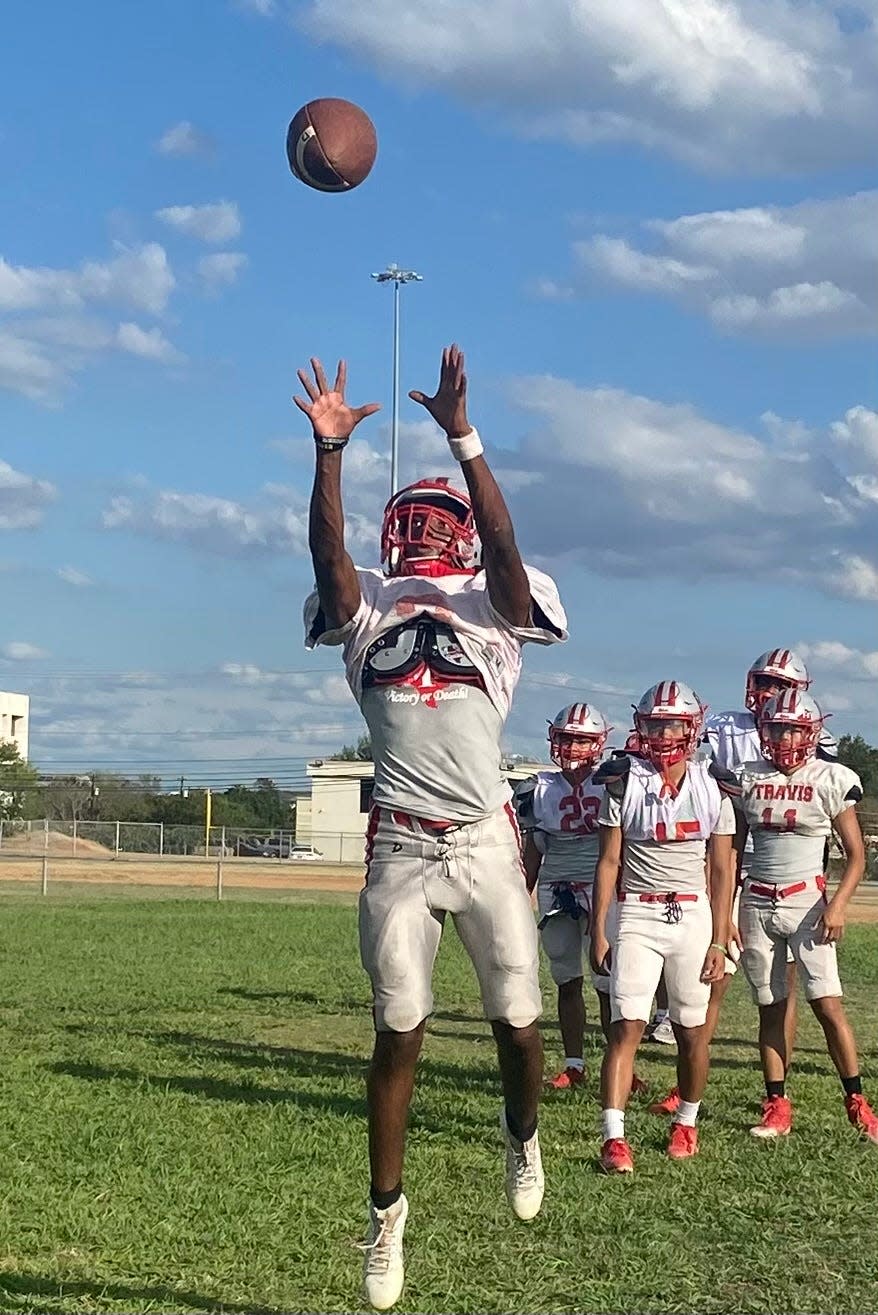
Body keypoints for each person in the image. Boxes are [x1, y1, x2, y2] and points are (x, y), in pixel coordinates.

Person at [298, 345, 567, 1309]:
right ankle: (385, 1218)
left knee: (519, 1023)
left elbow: (505, 548)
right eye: (403, 519)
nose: (417, 530)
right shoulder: (365, 601)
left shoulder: (494, 602)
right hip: (404, 844)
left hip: (487, 839)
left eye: (432, 516)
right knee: (398, 1031)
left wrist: (465, 436)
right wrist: (328, 455)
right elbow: (329, 564)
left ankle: (522, 1135)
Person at [649, 648, 836, 1118]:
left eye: (776, 684)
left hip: (784, 871)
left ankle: (778, 1091)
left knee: (779, 989)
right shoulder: (725, 726)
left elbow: (823, 801)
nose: (767, 693)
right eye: (762, 681)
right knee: (709, 979)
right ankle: (686, 1083)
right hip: (726, 862)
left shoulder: (817, 742)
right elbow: (686, 753)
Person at [589, 681, 736, 1172]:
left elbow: (721, 870)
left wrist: (720, 936)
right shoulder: (623, 781)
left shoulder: (714, 784)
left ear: (693, 728)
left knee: (692, 1031)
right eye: (654, 723)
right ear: (640, 727)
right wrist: (599, 928)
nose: (664, 733)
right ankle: (614, 1137)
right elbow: (609, 861)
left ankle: (688, 1122)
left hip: (692, 914)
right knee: (626, 1026)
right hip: (637, 912)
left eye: (673, 723)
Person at [736, 690, 877, 1142]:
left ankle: (856, 1100)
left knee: (827, 1004)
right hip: (756, 901)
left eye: (792, 727)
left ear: (811, 731)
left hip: (807, 903)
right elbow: (731, 846)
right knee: (770, 1006)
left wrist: (837, 904)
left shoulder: (830, 778)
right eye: (776, 727)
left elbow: (856, 855)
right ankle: (776, 1102)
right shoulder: (748, 777)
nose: (783, 736)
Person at [515, 703, 645, 1092]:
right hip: (557, 887)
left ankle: (619, 1065)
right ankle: (574, 1064)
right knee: (566, 979)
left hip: (600, 885)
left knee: (608, 982)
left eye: (582, 739)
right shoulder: (536, 788)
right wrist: (523, 894)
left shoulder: (614, 781)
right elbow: (533, 847)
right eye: (567, 738)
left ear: (599, 743)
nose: (573, 746)